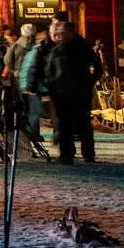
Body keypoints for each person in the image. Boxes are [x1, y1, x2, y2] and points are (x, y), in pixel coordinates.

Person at [43, 18, 106, 164]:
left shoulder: (82, 48)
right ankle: (67, 155)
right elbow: (49, 72)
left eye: (63, 33)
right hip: (61, 93)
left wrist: (87, 82)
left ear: (71, 32)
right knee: (63, 124)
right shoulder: (56, 50)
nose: (60, 36)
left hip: (79, 92)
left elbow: (98, 68)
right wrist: (51, 85)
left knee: (83, 122)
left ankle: (88, 154)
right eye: (59, 34)